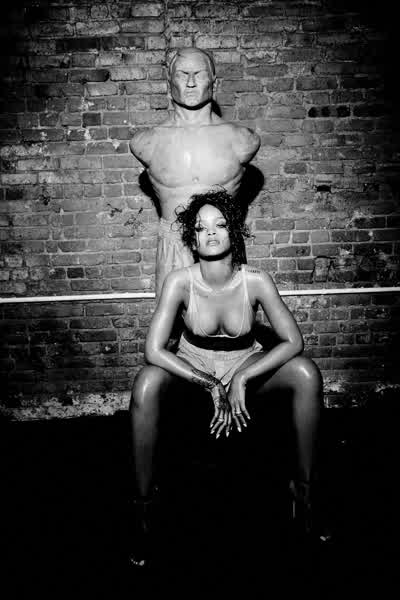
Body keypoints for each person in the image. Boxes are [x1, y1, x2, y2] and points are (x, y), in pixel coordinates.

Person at [128, 189, 323, 567]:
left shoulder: (256, 280)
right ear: (192, 240)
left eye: (220, 225)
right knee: (146, 382)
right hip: (193, 366)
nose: (211, 233)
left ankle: (305, 494)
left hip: (244, 361)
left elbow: (293, 341)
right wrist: (209, 382)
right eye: (201, 228)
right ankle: (143, 507)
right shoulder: (180, 281)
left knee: (306, 373)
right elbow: (154, 350)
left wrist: (243, 377)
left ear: (234, 231)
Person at [129, 47, 261, 298]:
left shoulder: (241, 139)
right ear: (170, 82)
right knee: (170, 319)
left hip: (222, 241)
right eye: (182, 74)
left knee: (233, 318)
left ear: (213, 81)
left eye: (198, 74)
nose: (190, 82)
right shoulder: (147, 142)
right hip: (174, 243)